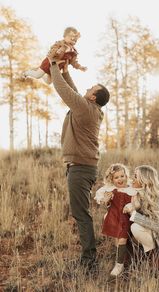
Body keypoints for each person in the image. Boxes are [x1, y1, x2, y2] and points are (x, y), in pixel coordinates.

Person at [47, 53, 110, 273]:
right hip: (83, 167)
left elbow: (64, 91)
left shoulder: (84, 109)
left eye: (91, 88)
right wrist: (65, 70)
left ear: (93, 97)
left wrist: (53, 63)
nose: (88, 88)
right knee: (81, 212)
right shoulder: (89, 108)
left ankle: (89, 260)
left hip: (81, 169)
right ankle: (89, 256)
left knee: (81, 214)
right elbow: (73, 91)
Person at [94, 163, 137, 277]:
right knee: (118, 241)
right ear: (112, 179)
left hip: (126, 218)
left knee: (122, 240)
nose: (120, 179)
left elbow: (137, 202)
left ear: (126, 176)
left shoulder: (131, 189)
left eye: (122, 176)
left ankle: (119, 265)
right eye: (116, 177)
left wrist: (133, 205)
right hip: (114, 218)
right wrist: (106, 199)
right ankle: (123, 258)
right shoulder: (110, 189)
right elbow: (101, 200)